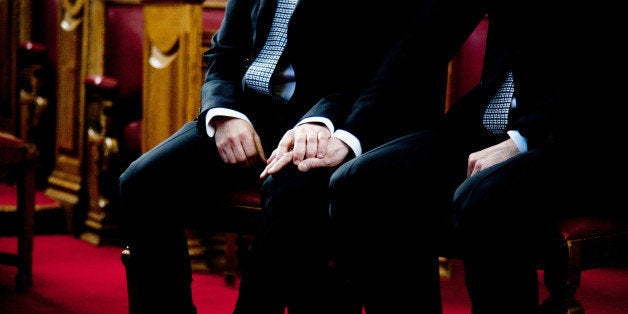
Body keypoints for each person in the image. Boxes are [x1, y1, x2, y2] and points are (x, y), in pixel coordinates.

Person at [118, 0, 443, 313]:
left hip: (319, 117)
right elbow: (222, 53)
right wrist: (224, 114)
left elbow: (366, 67)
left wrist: (321, 120)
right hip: (245, 114)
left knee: (289, 192)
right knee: (140, 181)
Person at [321, 0, 624, 313]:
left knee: (484, 197)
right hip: (486, 128)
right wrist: (349, 135)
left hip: (577, 138)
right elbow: (421, 44)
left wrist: (523, 139)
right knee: (358, 181)